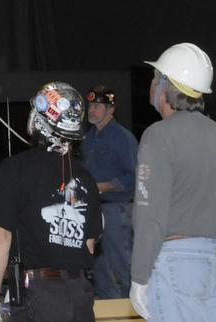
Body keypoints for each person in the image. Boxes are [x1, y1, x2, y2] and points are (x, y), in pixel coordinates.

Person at [130, 43, 216, 322]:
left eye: (155, 80)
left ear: (167, 87)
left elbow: (149, 211)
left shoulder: (159, 136)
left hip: (177, 264)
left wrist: (140, 276)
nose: (152, 86)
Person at [0, 82, 102, 322]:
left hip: (38, 295)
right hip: (80, 296)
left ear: (39, 121)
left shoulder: (15, 169)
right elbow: (88, 245)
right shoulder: (86, 178)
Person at [81, 85, 138, 298]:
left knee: (121, 263)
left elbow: (134, 176)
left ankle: (133, 309)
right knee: (98, 267)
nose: (92, 110)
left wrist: (103, 186)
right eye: (90, 106)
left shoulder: (123, 138)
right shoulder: (89, 138)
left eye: (97, 106)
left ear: (111, 109)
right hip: (94, 208)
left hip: (117, 209)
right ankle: (110, 308)